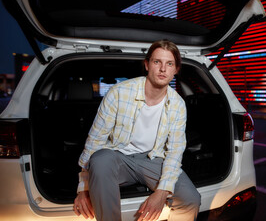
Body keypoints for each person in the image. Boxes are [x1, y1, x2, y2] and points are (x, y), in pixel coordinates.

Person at [73, 40, 201, 221]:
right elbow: (95, 140)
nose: (163, 69)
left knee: (191, 199)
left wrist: (162, 193)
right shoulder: (119, 93)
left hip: (153, 158)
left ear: (176, 69)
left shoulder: (178, 104)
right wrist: (84, 188)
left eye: (169, 64)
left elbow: (174, 152)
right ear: (147, 65)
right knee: (100, 158)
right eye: (157, 62)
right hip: (117, 158)